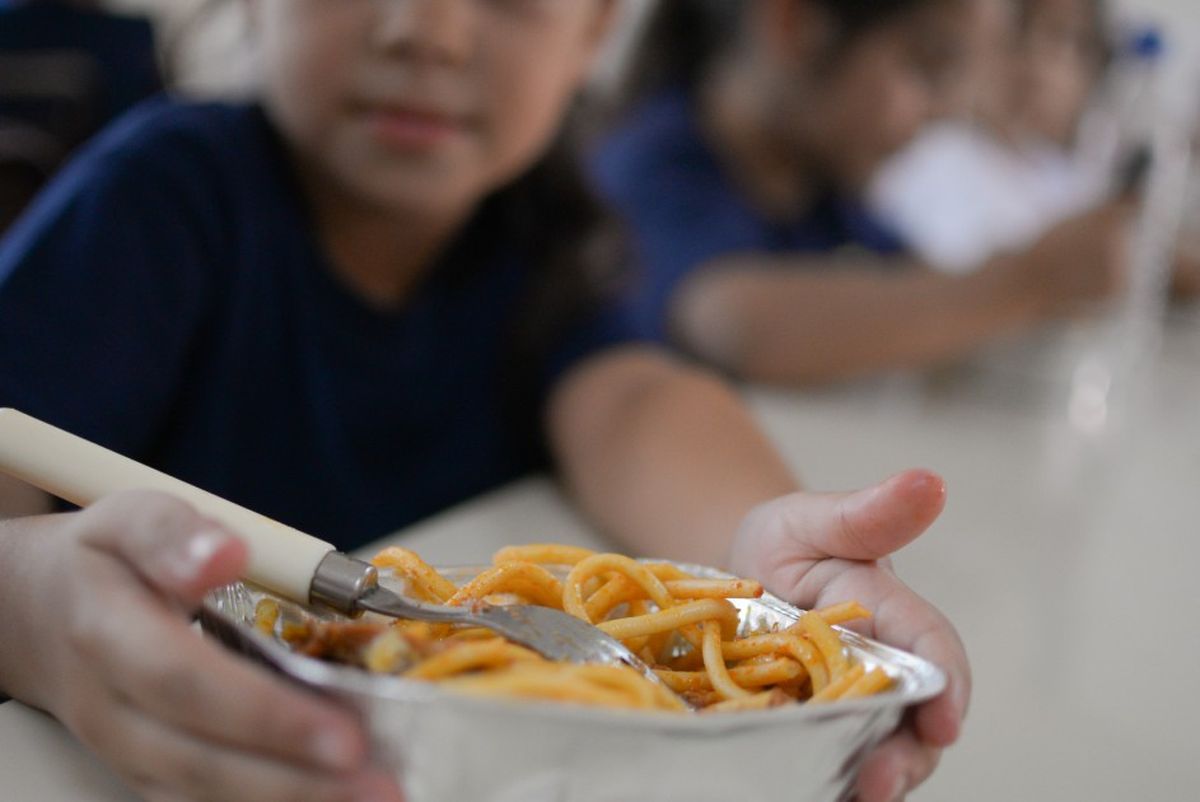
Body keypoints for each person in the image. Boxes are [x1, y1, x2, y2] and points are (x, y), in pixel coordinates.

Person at [0, 2, 968, 802]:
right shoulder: (161, 197)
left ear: (593, 34)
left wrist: (766, 556)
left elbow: (636, 404)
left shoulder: (539, 233)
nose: (431, 31)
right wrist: (31, 616)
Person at [591, 0, 1134, 385]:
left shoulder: (821, 199)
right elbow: (733, 325)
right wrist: (1030, 279)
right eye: (931, 64)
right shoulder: (651, 164)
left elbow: (913, 282)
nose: (946, 111)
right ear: (794, 23)